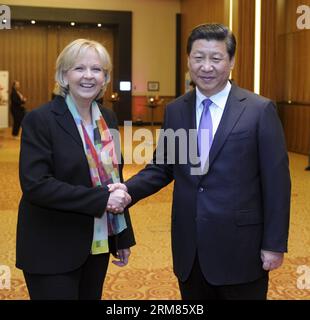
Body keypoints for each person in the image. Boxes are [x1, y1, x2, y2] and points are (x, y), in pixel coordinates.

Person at [109, 24, 291, 300]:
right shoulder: (176, 110)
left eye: (216, 58)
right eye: (198, 58)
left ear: (231, 62)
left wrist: (274, 243)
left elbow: (277, 184)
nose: (206, 66)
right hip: (190, 247)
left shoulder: (259, 110)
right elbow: (163, 167)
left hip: (241, 248)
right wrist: (126, 191)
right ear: (188, 60)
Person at [16, 39, 135, 300]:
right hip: (51, 245)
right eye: (79, 68)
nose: (89, 76)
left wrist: (122, 236)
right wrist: (102, 199)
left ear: (105, 78)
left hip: (97, 243)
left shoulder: (108, 118)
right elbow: (37, 185)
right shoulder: (41, 120)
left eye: (97, 69)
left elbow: (115, 178)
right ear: (63, 74)